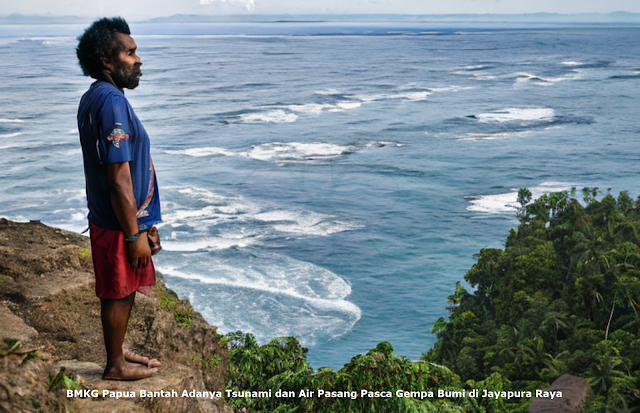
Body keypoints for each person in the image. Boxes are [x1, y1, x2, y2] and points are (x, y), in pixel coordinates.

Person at [76, 17, 162, 381]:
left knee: (125, 288)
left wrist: (147, 223)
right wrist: (133, 234)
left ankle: (119, 348)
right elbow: (118, 179)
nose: (138, 59)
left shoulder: (99, 96)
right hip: (117, 221)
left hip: (123, 218)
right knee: (117, 290)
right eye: (130, 53)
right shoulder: (111, 102)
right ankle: (115, 365)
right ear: (106, 61)